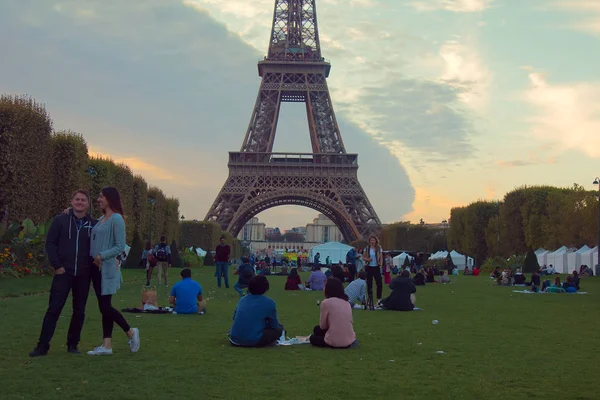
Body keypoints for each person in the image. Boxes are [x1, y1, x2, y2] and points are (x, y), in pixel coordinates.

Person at [29, 190, 96, 357]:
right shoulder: (61, 220)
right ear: (71, 202)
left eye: (83, 200)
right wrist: (57, 265)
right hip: (63, 272)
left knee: (79, 311)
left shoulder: (93, 224)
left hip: (83, 273)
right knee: (54, 309)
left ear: (88, 204)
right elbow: (50, 243)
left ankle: (72, 344)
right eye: (77, 199)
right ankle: (42, 346)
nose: (80, 202)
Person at [87, 187, 140, 356]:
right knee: (105, 306)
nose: (98, 199)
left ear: (110, 198)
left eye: (101, 196)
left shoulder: (116, 219)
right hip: (95, 267)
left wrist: (102, 256)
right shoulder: (101, 218)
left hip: (107, 268)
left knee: (105, 306)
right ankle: (107, 345)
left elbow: (119, 246)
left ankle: (131, 332)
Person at [229, 275, 283, 347]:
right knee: (279, 329)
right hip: (252, 340)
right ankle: (269, 342)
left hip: (234, 339)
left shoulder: (242, 299)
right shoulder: (269, 302)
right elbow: (274, 325)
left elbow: (234, 317)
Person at [310, 278, 357, 349]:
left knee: (313, 337)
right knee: (317, 330)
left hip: (334, 341)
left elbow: (323, 326)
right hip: (350, 339)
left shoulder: (326, 303)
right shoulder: (346, 303)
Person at [362, 235, 383, 305]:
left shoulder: (379, 248)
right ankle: (370, 299)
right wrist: (368, 259)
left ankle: (379, 299)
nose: (372, 241)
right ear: (369, 241)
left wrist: (381, 264)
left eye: (373, 240)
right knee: (369, 284)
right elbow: (363, 257)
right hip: (369, 267)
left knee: (379, 283)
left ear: (376, 241)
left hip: (376, 267)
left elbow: (381, 257)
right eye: (371, 240)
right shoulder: (367, 248)